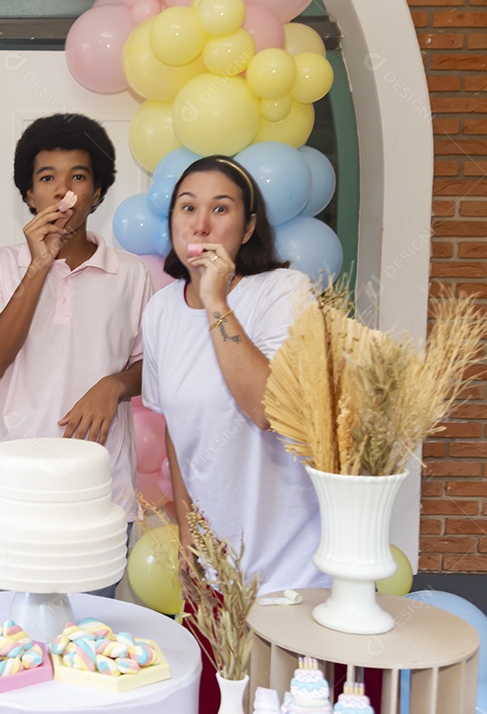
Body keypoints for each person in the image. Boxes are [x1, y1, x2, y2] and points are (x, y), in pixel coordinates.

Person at [140, 155, 327, 713]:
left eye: (220, 209)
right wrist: (186, 531)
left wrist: (218, 300)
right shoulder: (160, 311)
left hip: (292, 564)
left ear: (246, 229)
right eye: (187, 207)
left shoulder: (282, 292)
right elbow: (174, 429)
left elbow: (266, 408)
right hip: (215, 568)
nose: (200, 224)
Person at [0, 113, 153, 597]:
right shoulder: (0, 264)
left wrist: (115, 385)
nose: (63, 191)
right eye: (47, 178)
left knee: (89, 640)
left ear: (97, 192)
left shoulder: (131, 274)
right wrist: (38, 266)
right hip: (14, 484)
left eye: (78, 177)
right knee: (10, 643)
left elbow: (153, 367)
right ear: (29, 194)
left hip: (100, 487)